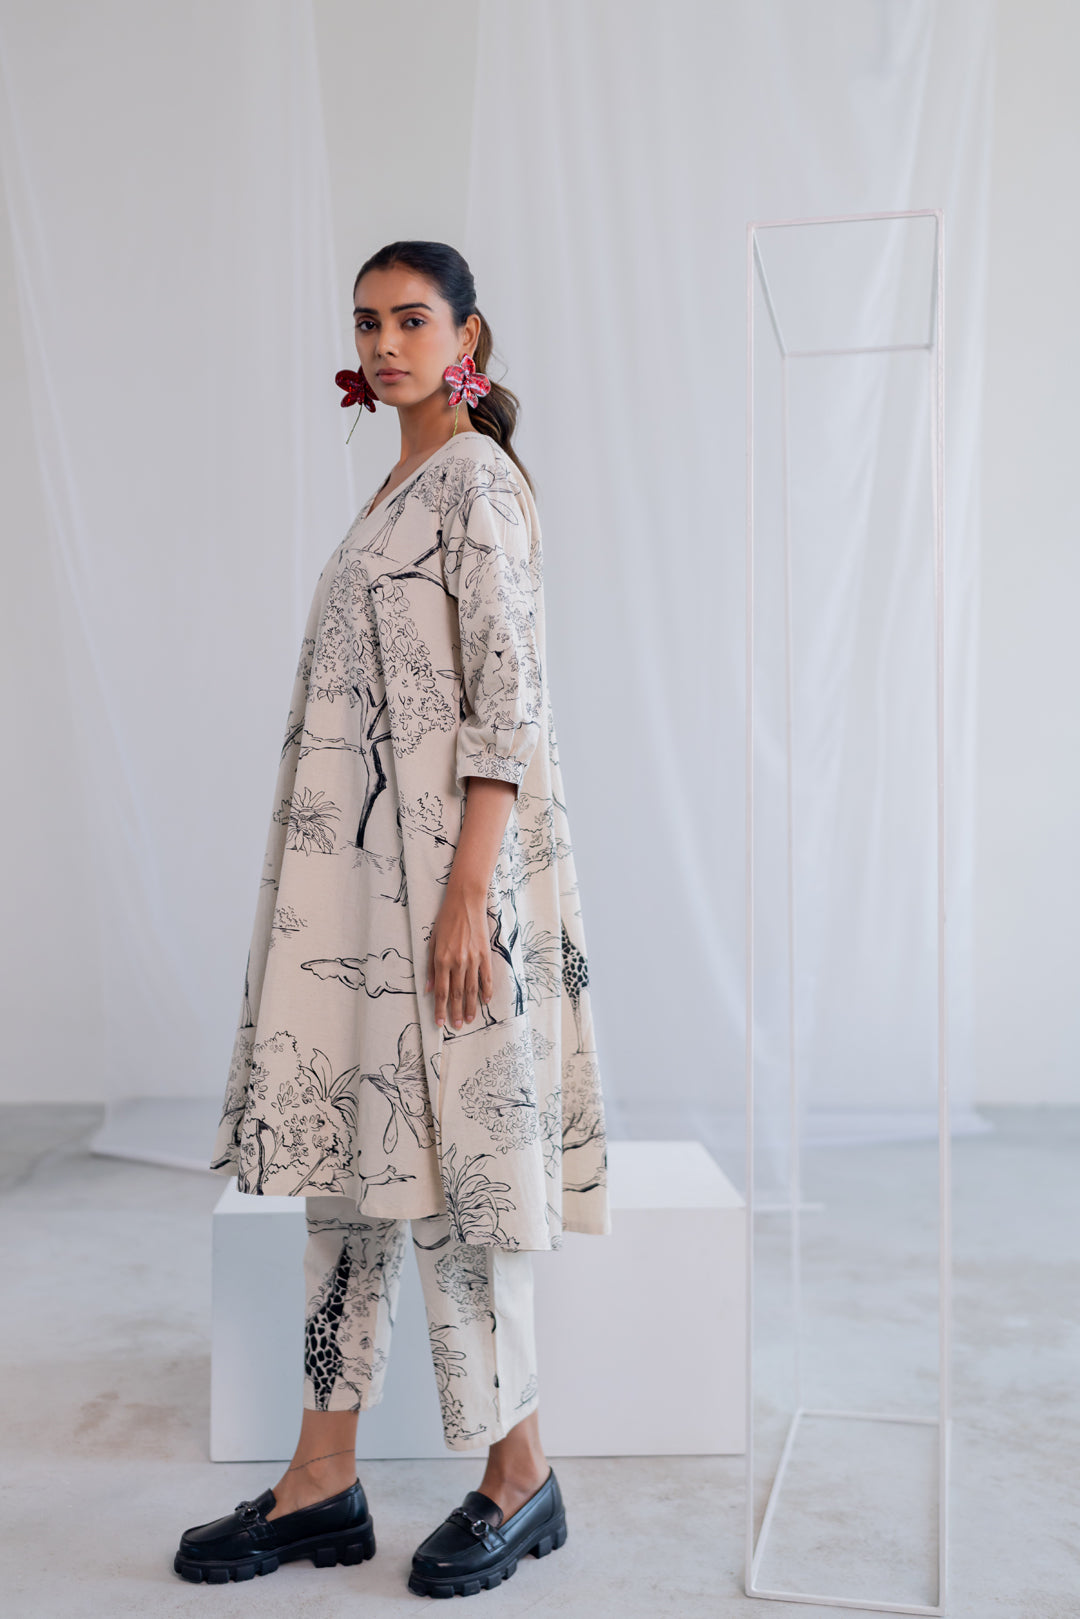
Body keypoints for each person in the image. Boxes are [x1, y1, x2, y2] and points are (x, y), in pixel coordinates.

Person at [173, 241, 610, 1599]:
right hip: (361, 899)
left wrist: (469, 895)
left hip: (445, 895)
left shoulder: (475, 481)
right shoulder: (396, 488)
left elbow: (506, 703)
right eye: (366, 322)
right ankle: (322, 1479)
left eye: (411, 319)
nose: (383, 343)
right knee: (351, 1176)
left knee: (463, 1182)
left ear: (466, 334)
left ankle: (521, 1476)